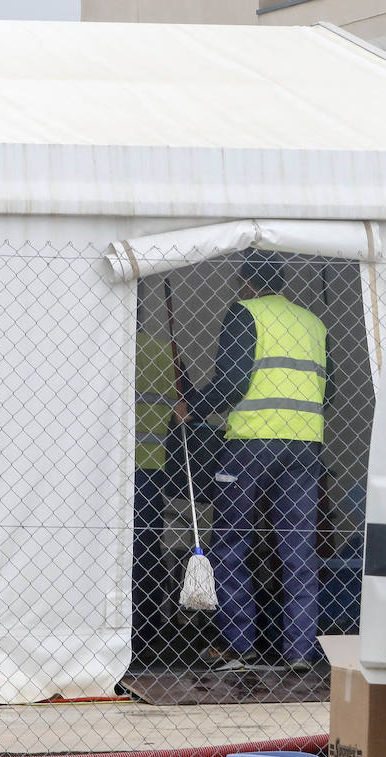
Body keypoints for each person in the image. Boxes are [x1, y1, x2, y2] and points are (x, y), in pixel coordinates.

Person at [182, 249, 332, 673]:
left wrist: (193, 407)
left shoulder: (244, 313)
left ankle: (240, 644)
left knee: (231, 544)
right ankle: (299, 650)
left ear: (245, 282)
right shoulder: (313, 323)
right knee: (299, 549)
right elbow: (331, 391)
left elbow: (231, 380)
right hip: (304, 445)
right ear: (282, 282)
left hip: (250, 442)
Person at [131, 304, 186, 669]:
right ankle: (147, 632)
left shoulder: (103, 348)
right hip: (151, 466)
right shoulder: (164, 350)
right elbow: (183, 407)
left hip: (105, 466)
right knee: (146, 549)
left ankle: (125, 632)